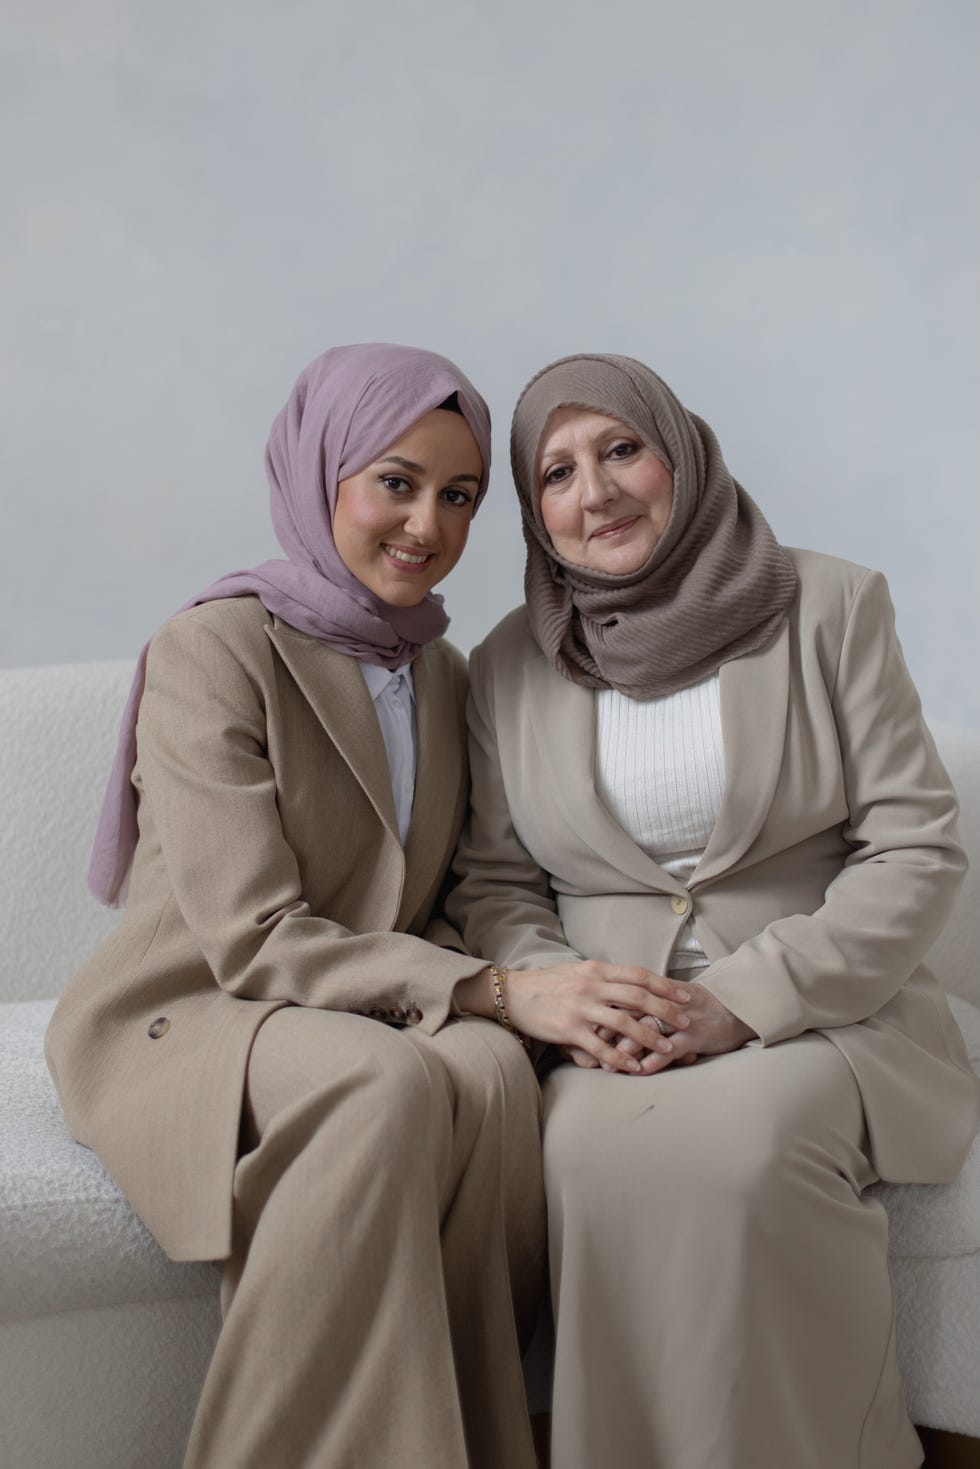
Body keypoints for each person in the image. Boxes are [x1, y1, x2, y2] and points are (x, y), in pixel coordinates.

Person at [445, 352, 980, 1468]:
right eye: (556, 473)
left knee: (745, 1148)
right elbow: (492, 882)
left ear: (680, 455)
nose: (595, 492)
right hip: (615, 1030)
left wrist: (743, 1000)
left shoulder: (829, 604)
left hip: (822, 1010)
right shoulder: (503, 665)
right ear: (535, 513)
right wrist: (568, 997)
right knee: (580, 1156)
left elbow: (915, 845)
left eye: (621, 450)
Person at [45, 343, 548, 1469]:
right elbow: (251, 930)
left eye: (459, 495)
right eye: (396, 482)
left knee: (491, 1072)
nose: (426, 523)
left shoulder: (443, 672)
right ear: (321, 471)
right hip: (196, 1008)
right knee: (382, 1083)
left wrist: (536, 993)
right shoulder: (214, 646)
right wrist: (492, 987)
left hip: (348, 1002)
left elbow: (439, 896)